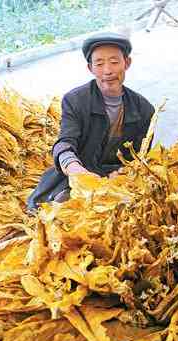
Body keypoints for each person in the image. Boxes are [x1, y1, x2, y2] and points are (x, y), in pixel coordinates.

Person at [26, 32, 155, 210]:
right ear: (90, 68)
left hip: (120, 180)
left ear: (127, 63)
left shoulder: (144, 109)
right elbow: (64, 143)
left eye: (114, 62)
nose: (107, 70)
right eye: (99, 63)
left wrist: (123, 174)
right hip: (80, 174)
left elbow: (141, 158)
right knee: (55, 211)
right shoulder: (75, 100)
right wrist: (74, 169)